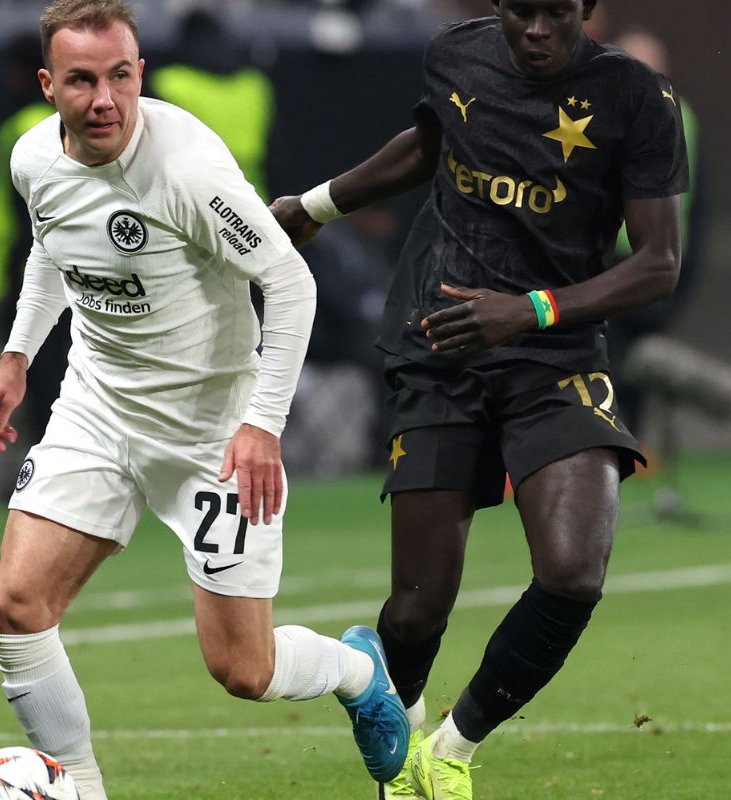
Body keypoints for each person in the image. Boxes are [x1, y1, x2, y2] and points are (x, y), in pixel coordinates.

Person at [0, 3, 408, 798]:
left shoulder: (187, 171)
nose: (105, 99)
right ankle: (84, 790)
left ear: (140, 71)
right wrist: (16, 357)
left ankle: (355, 670)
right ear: (47, 86)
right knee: (16, 604)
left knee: (243, 669)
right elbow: (50, 245)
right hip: (97, 410)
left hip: (214, 431)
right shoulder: (34, 158)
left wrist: (261, 425)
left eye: (121, 76)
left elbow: (290, 282)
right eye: (82, 81)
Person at [273, 0, 687, 796]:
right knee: (419, 609)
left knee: (573, 571)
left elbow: (658, 263)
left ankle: (449, 752)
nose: (536, 30)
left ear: (587, 9)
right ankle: (393, 733)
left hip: (553, 352)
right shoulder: (454, 57)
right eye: (520, 11)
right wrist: (319, 205)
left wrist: (530, 309)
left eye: (555, 13)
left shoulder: (637, 97)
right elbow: (430, 146)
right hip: (443, 343)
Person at [0, 35, 71, 449]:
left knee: (41, 378)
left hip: (32, 269)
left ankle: (47, 467)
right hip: (85, 269)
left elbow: (6, 212)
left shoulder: (19, 130)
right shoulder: (74, 124)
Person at [605, 27, 703, 439]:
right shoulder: (592, 114)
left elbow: (698, 197)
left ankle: (635, 437)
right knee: (603, 352)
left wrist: (684, 266)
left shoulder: (682, 118)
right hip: (603, 260)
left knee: (643, 358)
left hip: (653, 259)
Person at [147, 9, 275, 200]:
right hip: (253, 201)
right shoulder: (255, 85)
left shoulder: (167, 83)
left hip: (194, 204)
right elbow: (276, 160)